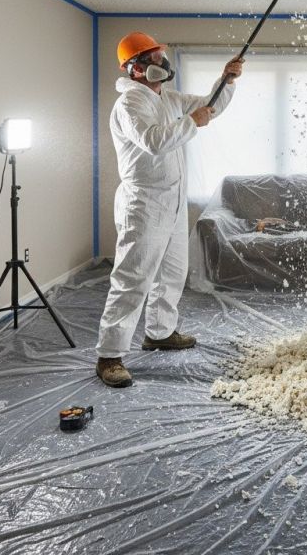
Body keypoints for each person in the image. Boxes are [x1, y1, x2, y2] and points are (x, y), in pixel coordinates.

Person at [96, 32, 243, 388]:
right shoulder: (131, 104)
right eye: (152, 58)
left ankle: (159, 333)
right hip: (144, 202)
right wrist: (194, 122)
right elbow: (154, 141)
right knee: (134, 277)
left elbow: (211, 105)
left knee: (172, 273)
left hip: (173, 199)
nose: (160, 63)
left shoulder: (169, 99)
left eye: (160, 56)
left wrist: (227, 80)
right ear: (135, 69)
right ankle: (110, 355)